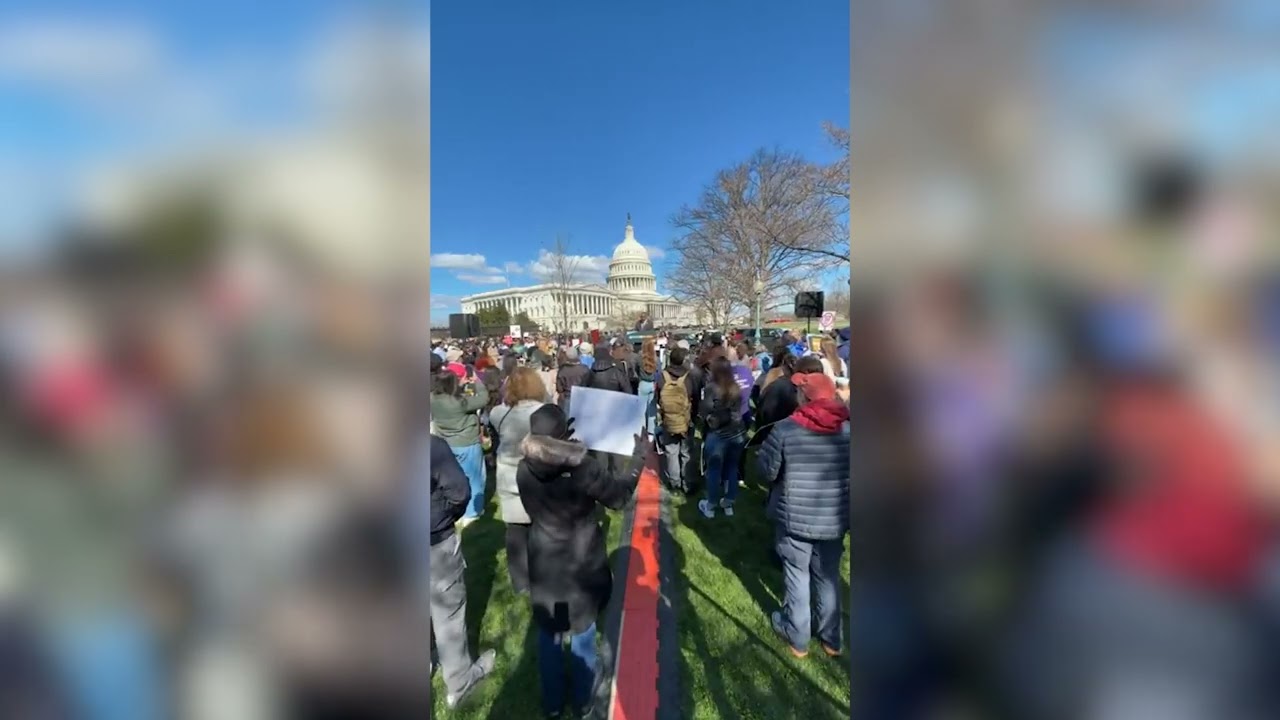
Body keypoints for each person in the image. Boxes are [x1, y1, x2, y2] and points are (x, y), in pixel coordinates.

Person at [515, 405, 645, 719]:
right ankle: (584, 701)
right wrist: (637, 460)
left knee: (550, 633)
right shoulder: (582, 469)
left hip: (545, 560)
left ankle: (553, 704)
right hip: (580, 561)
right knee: (583, 630)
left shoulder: (523, 467)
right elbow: (618, 497)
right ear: (562, 437)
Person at [757, 372, 850, 658]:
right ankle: (831, 638)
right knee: (828, 576)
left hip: (795, 516)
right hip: (834, 516)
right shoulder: (849, 429)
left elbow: (766, 471)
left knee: (797, 576)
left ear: (804, 397)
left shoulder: (786, 429)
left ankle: (797, 637)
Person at [426, 434, 497, 708]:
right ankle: (460, 681)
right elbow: (460, 493)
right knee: (449, 613)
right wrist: (441, 519)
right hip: (433, 542)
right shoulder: (431, 446)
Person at [487, 368, 549, 595]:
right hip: (536, 475)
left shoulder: (497, 413)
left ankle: (520, 582)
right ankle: (542, 574)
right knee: (541, 529)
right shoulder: (544, 412)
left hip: (508, 476)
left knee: (515, 531)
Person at [431, 368, 490, 526]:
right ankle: (473, 512)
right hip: (466, 443)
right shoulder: (460, 402)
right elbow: (484, 398)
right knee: (475, 477)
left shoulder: (432, 399)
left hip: (446, 442)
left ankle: (457, 508)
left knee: (456, 478)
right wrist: (477, 382)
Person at [697, 357, 747, 518]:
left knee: (714, 470)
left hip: (718, 434)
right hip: (737, 432)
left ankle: (710, 505)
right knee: (732, 468)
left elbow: (704, 410)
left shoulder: (712, 388)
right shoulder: (736, 388)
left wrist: (708, 418)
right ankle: (728, 502)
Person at [655, 346, 694, 493]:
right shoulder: (689, 377)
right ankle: (688, 483)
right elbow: (694, 396)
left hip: (668, 420)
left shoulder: (662, 376)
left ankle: (674, 483)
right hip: (685, 419)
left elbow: (658, 398)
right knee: (686, 452)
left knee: (671, 451)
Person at [637, 337, 660, 441]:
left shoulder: (639, 357)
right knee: (652, 410)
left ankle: (642, 432)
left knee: (641, 410)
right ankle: (651, 434)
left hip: (642, 383)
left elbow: (636, 370)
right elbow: (659, 372)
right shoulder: (656, 358)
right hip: (652, 384)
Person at [555, 346, 589, 413]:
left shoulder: (563, 370)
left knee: (568, 421)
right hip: (582, 397)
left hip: (568, 398)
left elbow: (559, 387)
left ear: (567, 357)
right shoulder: (585, 369)